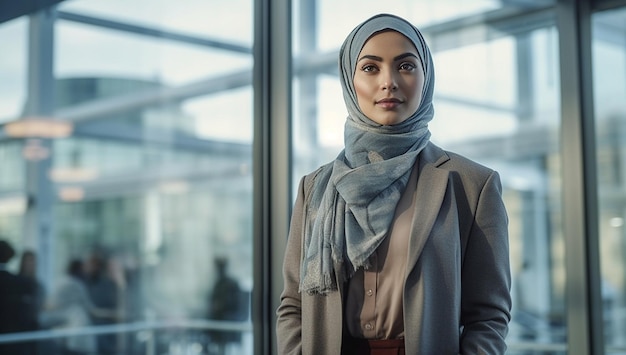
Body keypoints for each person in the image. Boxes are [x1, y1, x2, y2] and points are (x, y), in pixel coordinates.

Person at [276, 13, 512, 355]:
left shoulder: (473, 185)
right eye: (370, 68)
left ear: (425, 77)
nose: (389, 82)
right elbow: (293, 304)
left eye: (405, 66)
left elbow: (489, 316)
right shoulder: (314, 189)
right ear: (349, 80)